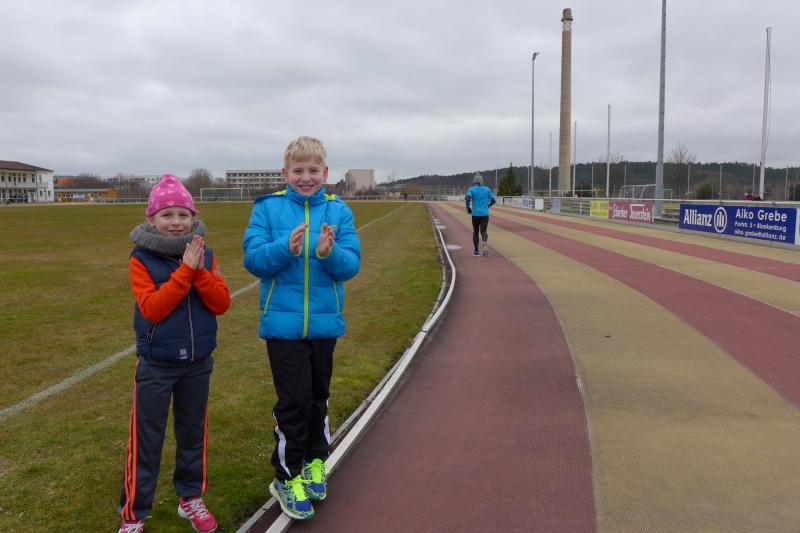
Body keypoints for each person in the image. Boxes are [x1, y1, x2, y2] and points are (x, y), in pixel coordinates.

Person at [242, 136, 361, 520]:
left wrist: (329, 253)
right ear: (285, 173)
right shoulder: (268, 208)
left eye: (313, 171)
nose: (305, 177)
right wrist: (285, 249)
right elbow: (253, 260)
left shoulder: (339, 211)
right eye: (298, 171)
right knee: (293, 402)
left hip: (325, 325)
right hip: (283, 327)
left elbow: (351, 265)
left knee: (317, 398)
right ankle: (286, 476)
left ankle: (314, 461)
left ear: (325, 173)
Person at [117, 174, 231, 533]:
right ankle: (134, 515)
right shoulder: (141, 258)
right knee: (146, 439)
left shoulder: (205, 254)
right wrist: (185, 270)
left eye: (183, 214)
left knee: (192, 433)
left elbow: (221, 303)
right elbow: (153, 309)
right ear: (152, 219)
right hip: (156, 364)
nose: (176, 222)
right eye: (167, 215)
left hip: (197, 364)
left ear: (193, 217)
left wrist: (199, 271)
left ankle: (190, 498)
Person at [465, 173, 497, 256]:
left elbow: (467, 199)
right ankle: (485, 247)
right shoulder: (487, 189)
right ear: (482, 181)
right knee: (483, 231)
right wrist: (487, 206)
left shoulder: (471, 189)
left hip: (475, 214)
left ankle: (476, 251)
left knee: (475, 232)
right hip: (485, 214)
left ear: (474, 181)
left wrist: (468, 208)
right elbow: (493, 200)